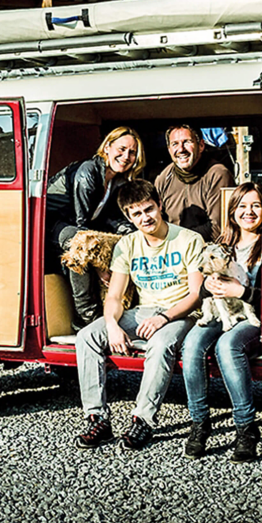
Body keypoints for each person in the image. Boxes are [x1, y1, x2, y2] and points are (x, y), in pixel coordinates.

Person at [74, 179, 204, 451]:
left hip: (180, 313)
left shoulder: (189, 239)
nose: (145, 217)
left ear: (160, 206)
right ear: (128, 216)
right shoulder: (127, 245)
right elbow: (115, 296)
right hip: (143, 311)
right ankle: (97, 418)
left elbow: (195, 295)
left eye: (149, 209)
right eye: (137, 213)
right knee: (86, 336)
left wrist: (164, 318)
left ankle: (143, 418)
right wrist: (111, 324)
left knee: (160, 344)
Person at [181, 181, 262, 463]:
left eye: (255, 205)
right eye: (242, 206)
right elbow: (201, 289)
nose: (248, 212)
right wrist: (210, 285)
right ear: (232, 212)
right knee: (192, 344)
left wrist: (242, 292)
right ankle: (200, 423)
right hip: (220, 311)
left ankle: (245, 428)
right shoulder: (222, 244)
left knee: (228, 345)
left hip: (253, 317)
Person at [45, 127, 145, 329]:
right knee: (78, 244)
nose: (126, 156)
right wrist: (100, 267)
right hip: (51, 226)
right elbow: (82, 228)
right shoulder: (88, 172)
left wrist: (138, 234)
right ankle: (87, 315)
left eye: (132, 152)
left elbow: (112, 219)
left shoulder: (118, 181)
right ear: (107, 147)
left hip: (79, 228)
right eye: (122, 148)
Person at [155, 125, 235, 242]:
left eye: (187, 142)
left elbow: (218, 229)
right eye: (175, 144)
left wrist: (176, 239)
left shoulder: (217, 174)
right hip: (172, 250)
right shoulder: (164, 178)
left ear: (201, 145)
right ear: (169, 149)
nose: (181, 149)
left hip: (208, 250)